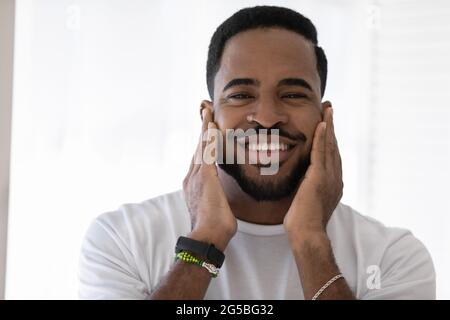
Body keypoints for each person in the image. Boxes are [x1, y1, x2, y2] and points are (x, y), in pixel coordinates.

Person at [78, 6, 435, 300]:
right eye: (240, 95)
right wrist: (204, 241)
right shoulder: (120, 240)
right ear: (209, 116)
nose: (266, 117)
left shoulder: (393, 259)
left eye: (293, 94)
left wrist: (310, 239)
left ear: (324, 116)